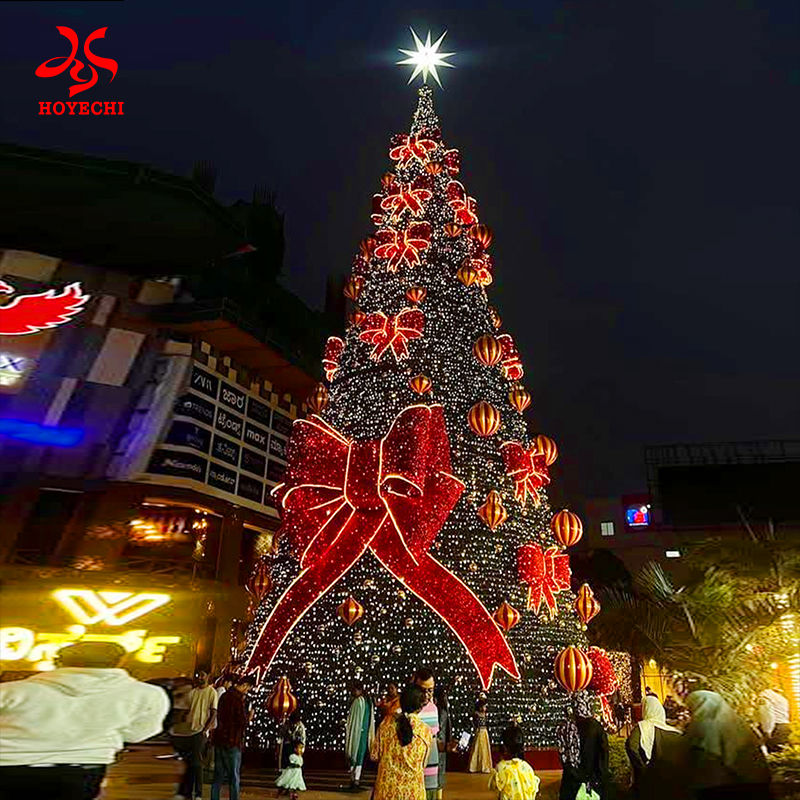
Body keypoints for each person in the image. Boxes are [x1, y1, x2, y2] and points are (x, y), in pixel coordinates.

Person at [0, 642, 169, 800]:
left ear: (57, 661)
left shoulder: (12, 690)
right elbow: (138, 734)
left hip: (8, 764)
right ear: (120, 661)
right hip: (85, 766)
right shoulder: (147, 693)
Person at [683, 690, 770, 799]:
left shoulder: (702, 725)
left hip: (719, 785)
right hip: (750, 781)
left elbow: (702, 761)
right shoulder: (738, 722)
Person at [371, 683, 432, 800]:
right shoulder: (425, 731)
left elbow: (374, 755)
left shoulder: (385, 725)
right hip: (413, 793)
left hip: (386, 791)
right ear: (420, 706)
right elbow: (423, 764)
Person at [170, 668, 218, 800]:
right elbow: (184, 710)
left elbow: (214, 713)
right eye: (198, 675)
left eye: (202, 675)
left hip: (200, 731)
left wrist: (205, 730)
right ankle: (186, 792)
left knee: (196, 763)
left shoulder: (212, 692)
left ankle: (198, 793)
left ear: (208, 676)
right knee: (190, 763)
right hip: (189, 731)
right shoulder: (193, 692)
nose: (199, 678)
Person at [625, 695, 683, 799]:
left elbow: (631, 746)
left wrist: (642, 769)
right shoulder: (676, 733)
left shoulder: (643, 727)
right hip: (670, 782)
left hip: (648, 783)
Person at [209, 675, 255, 800]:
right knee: (234, 777)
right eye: (248, 688)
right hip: (233, 741)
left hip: (220, 740)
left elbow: (220, 716)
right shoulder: (238, 699)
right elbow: (242, 721)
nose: (247, 691)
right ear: (245, 685)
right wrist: (249, 717)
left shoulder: (224, 696)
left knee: (218, 776)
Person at [556, 692, 609, 800]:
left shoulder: (565, 727)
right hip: (592, 781)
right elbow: (604, 753)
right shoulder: (596, 726)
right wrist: (600, 775)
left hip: (571, 783)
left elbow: (562, 753)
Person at [489, 724, 540, 800]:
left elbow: (493, 786)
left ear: (505, 747)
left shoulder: (501, 768)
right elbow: (535, 790)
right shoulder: (527, 767)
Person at [412, 668, 440, 800]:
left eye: (430, 690)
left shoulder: (433, 709)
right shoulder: (405, 709)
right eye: (422, 690)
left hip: (431, 770)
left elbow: (433, 740)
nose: (427, 695)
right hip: (411, 773)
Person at [345, 680, 374, 791]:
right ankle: (355, 779)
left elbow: (353, 719)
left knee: (354, 754)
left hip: (358, 732)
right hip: (364, 732)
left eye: (355, 690)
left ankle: (354, 780)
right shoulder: (368, 701)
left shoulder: (359, 701)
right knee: (359, 756)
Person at [757, 687, 791, 752]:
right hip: (784, 726)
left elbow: (767, 714)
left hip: (775, 727)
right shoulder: (782, 698)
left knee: (774, 752)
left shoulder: (765, 696)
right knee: (781, 752)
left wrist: (767, 730)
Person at [434, 686, 453, 797]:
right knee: (439, 771)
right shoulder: (441, 711)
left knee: (440, 771)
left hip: (441, 744)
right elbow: (440, 729)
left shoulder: (442, 710)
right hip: (440, 745)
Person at [468, 697, 493, 774]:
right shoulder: (476, 714)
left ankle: (484, 766)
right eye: (484, 706)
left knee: (484, 748)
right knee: (478, 748)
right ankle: (475, 766)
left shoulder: (485, 714)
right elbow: (472, 721)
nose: (485, 708)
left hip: (484, 732)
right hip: (479, 732)